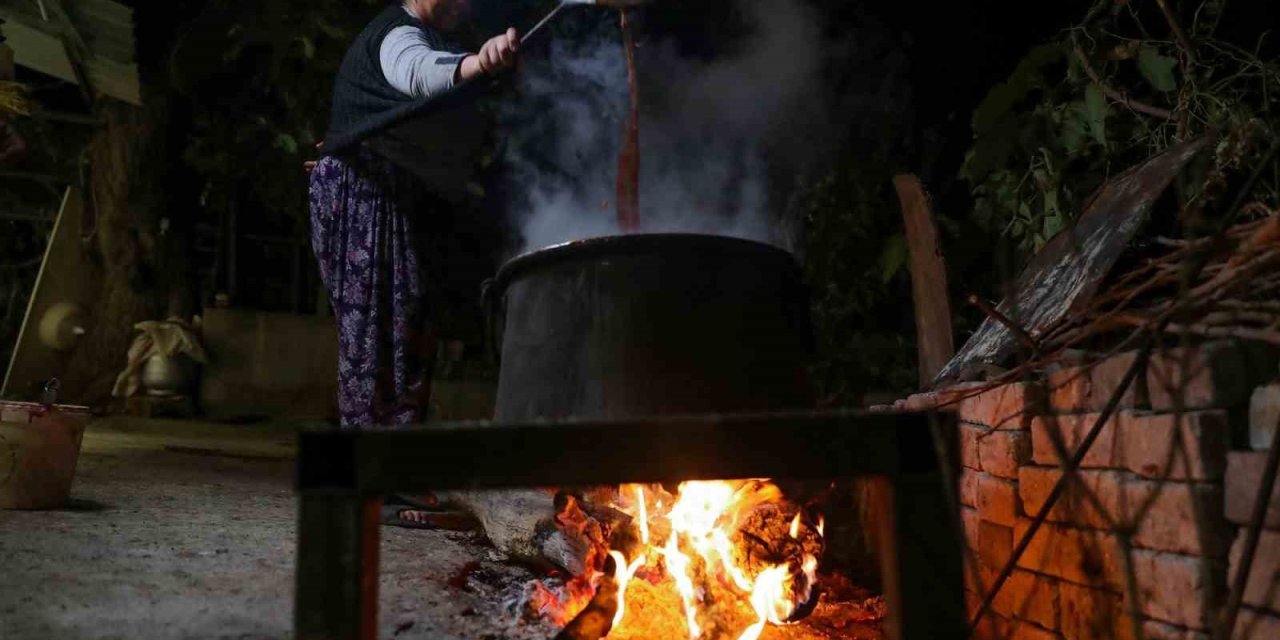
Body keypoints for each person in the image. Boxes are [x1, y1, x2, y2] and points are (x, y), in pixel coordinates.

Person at [307, 0, 519, 527]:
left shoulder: (440, 37)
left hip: (392, 196)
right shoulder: (396, 34)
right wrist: (479, 62)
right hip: (366, 192)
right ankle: (372, 481)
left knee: (405, 336)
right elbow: (420, 74)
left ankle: (390, 473)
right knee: (376, 337)